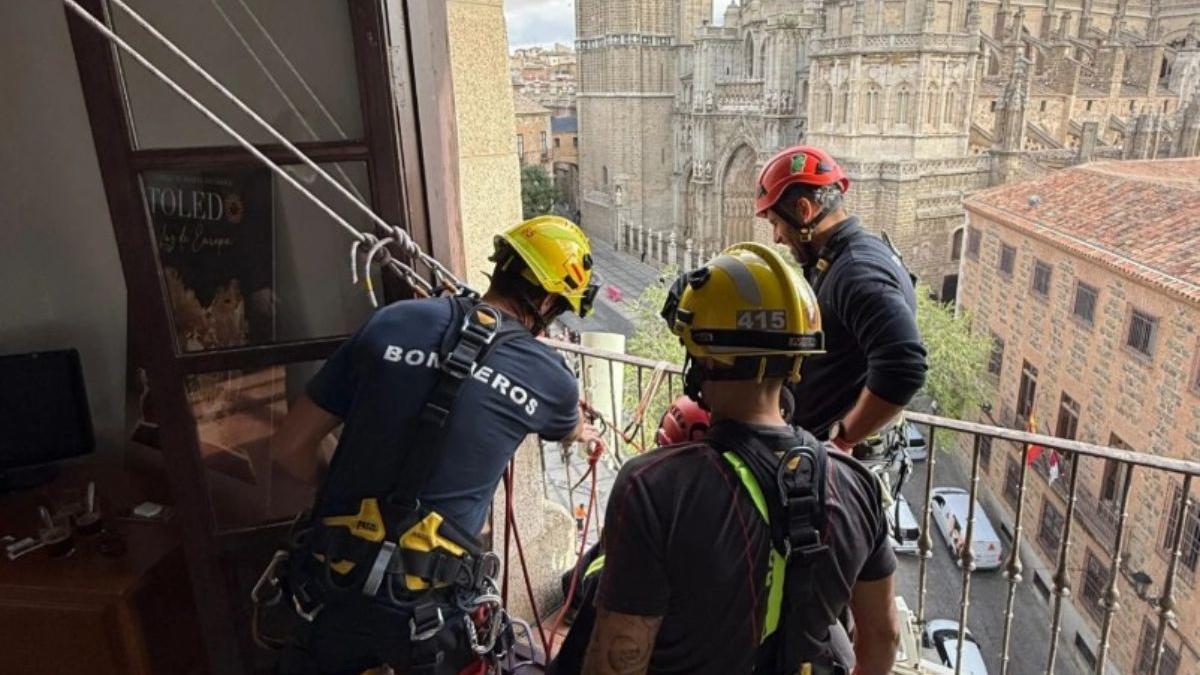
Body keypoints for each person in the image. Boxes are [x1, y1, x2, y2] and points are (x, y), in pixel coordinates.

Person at [266, 215, 601, 675]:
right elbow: (570, 426)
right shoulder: (551, 379)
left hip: (328, 590)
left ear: (499, 266)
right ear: (545, 300)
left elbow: (287, 448)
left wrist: (345, 500)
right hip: (428, 622)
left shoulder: (392, 321)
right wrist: (584, 430)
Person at [581, 243, 899, 675]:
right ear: (796, 362)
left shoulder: (655, 486)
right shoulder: (857, 483)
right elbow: (883, 638)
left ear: (702, 358)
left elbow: (617, 660)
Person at [753, 144, 927, 452]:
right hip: (819, 455)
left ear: (804, 211)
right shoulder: (839, 259)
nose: (776, 237)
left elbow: (904, 365)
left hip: (834, 469)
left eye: (775, 223)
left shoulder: (858, 271)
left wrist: (844, 439)